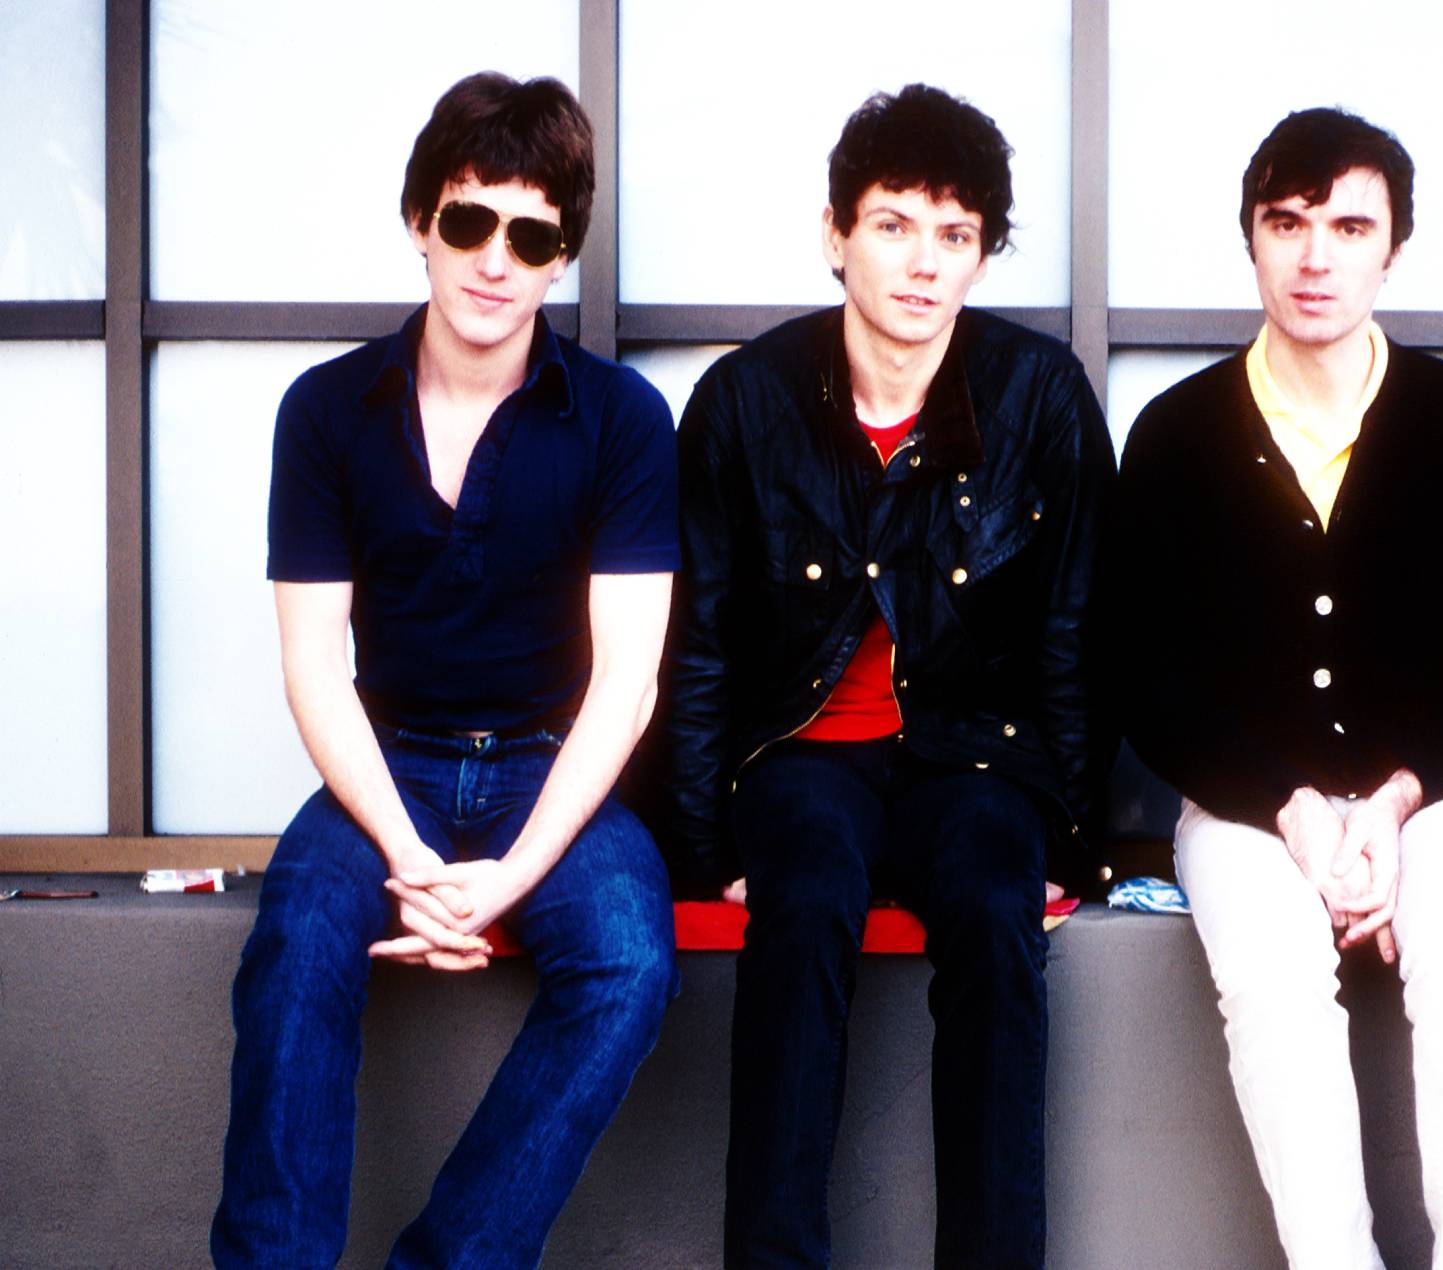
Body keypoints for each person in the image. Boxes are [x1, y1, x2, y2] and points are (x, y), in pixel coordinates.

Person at [212, 72, 681, 1268]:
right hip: (392, 766)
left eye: (530, 236)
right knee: (296, 940)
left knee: (629, 958)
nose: (493, 260)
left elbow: (625, 683)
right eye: (468, 220)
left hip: (546, 773)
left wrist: (508, 877)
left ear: (561, 253)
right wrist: (416, 859)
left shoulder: (622, 418)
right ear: (420, 218)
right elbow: (313, 664)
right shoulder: (325, 412)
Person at [647, 84, 1114, 1268]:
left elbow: (1073, 629)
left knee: (996, 919)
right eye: (894, 224)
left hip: (974, 751)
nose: (922, 264)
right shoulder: (744, 402)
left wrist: (1067, 840)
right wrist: (708, 852)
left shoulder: (1039, 394)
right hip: (802, 751)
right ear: (834, 235)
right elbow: (695, 640)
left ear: (980, 256)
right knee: (802, 905)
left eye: (955, 236)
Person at [1110, 107, 1443, 1267]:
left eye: (1349, 225)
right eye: (1287, 222)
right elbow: (1146, 677)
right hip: (1247, 801)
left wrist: (1395, 799)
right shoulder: (1174, 435)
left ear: (1392, 248)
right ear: (1248, 237)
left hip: (1431, 790)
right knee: (1269, 972)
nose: (1315, 256)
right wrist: (1291, 806)